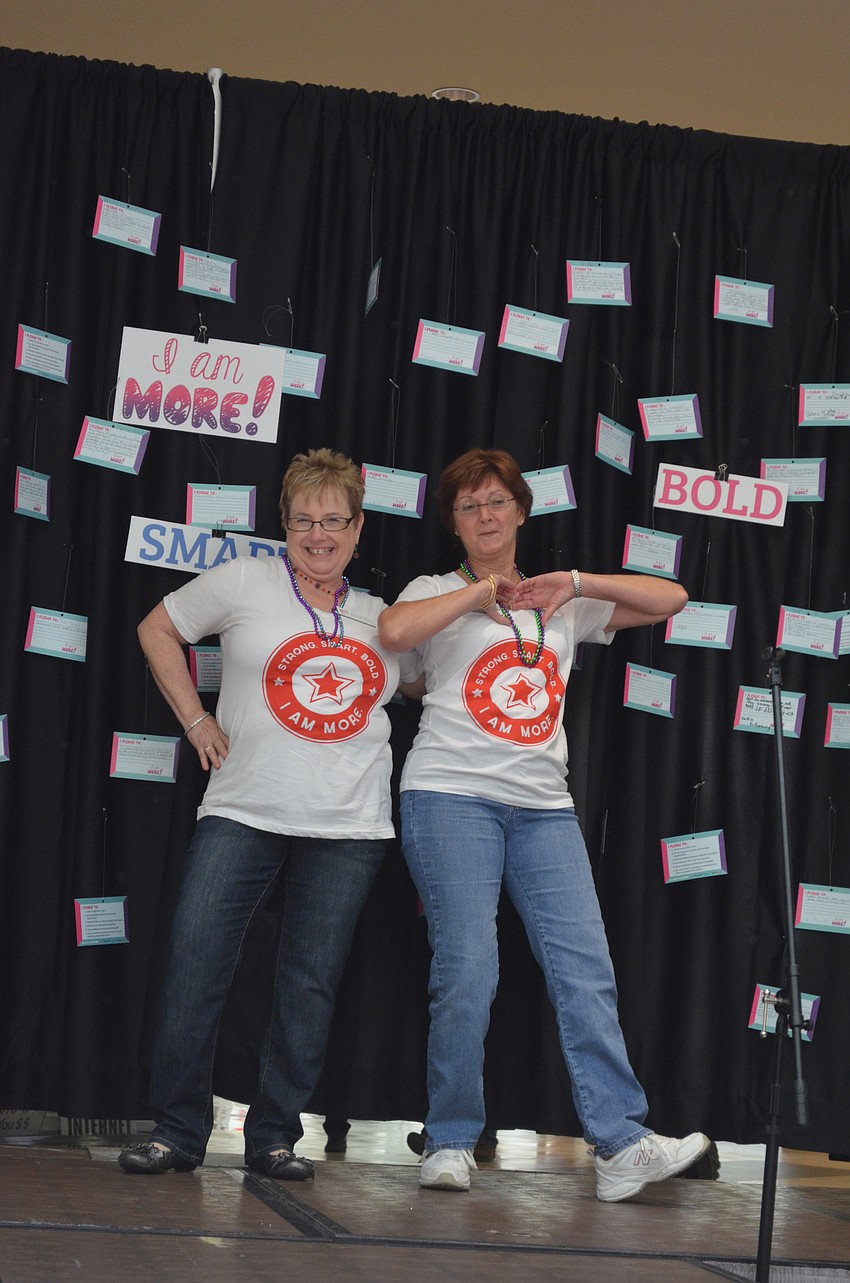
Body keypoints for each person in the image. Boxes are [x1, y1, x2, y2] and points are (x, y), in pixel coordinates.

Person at [378, 447, 710, 1202]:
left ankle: (621, 1143)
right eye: (469, 506)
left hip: (543, 807)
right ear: (454, 523)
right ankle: (450, 1139)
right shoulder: (435, 589)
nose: (485, 515)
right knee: (468, 967)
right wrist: (476, 595)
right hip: (449, 795)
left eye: (497, 501)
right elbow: (395, 634)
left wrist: (576, 583)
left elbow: (673, 598)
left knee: (585, 968)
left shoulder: (559, 599)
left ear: (522, 512)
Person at [119, 448, 416, 1180]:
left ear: (358, 528)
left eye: (334, 520)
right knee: (195, 963)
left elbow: (427, 683)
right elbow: (156, 629)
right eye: (304, 520)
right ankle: (176, 1131)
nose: (319, 534)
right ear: (284, 524)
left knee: (308, 983)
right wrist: (196, 720)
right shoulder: (245, 579)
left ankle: (276, 1135)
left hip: (349, 825)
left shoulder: (384, 617)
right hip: (242, 807)